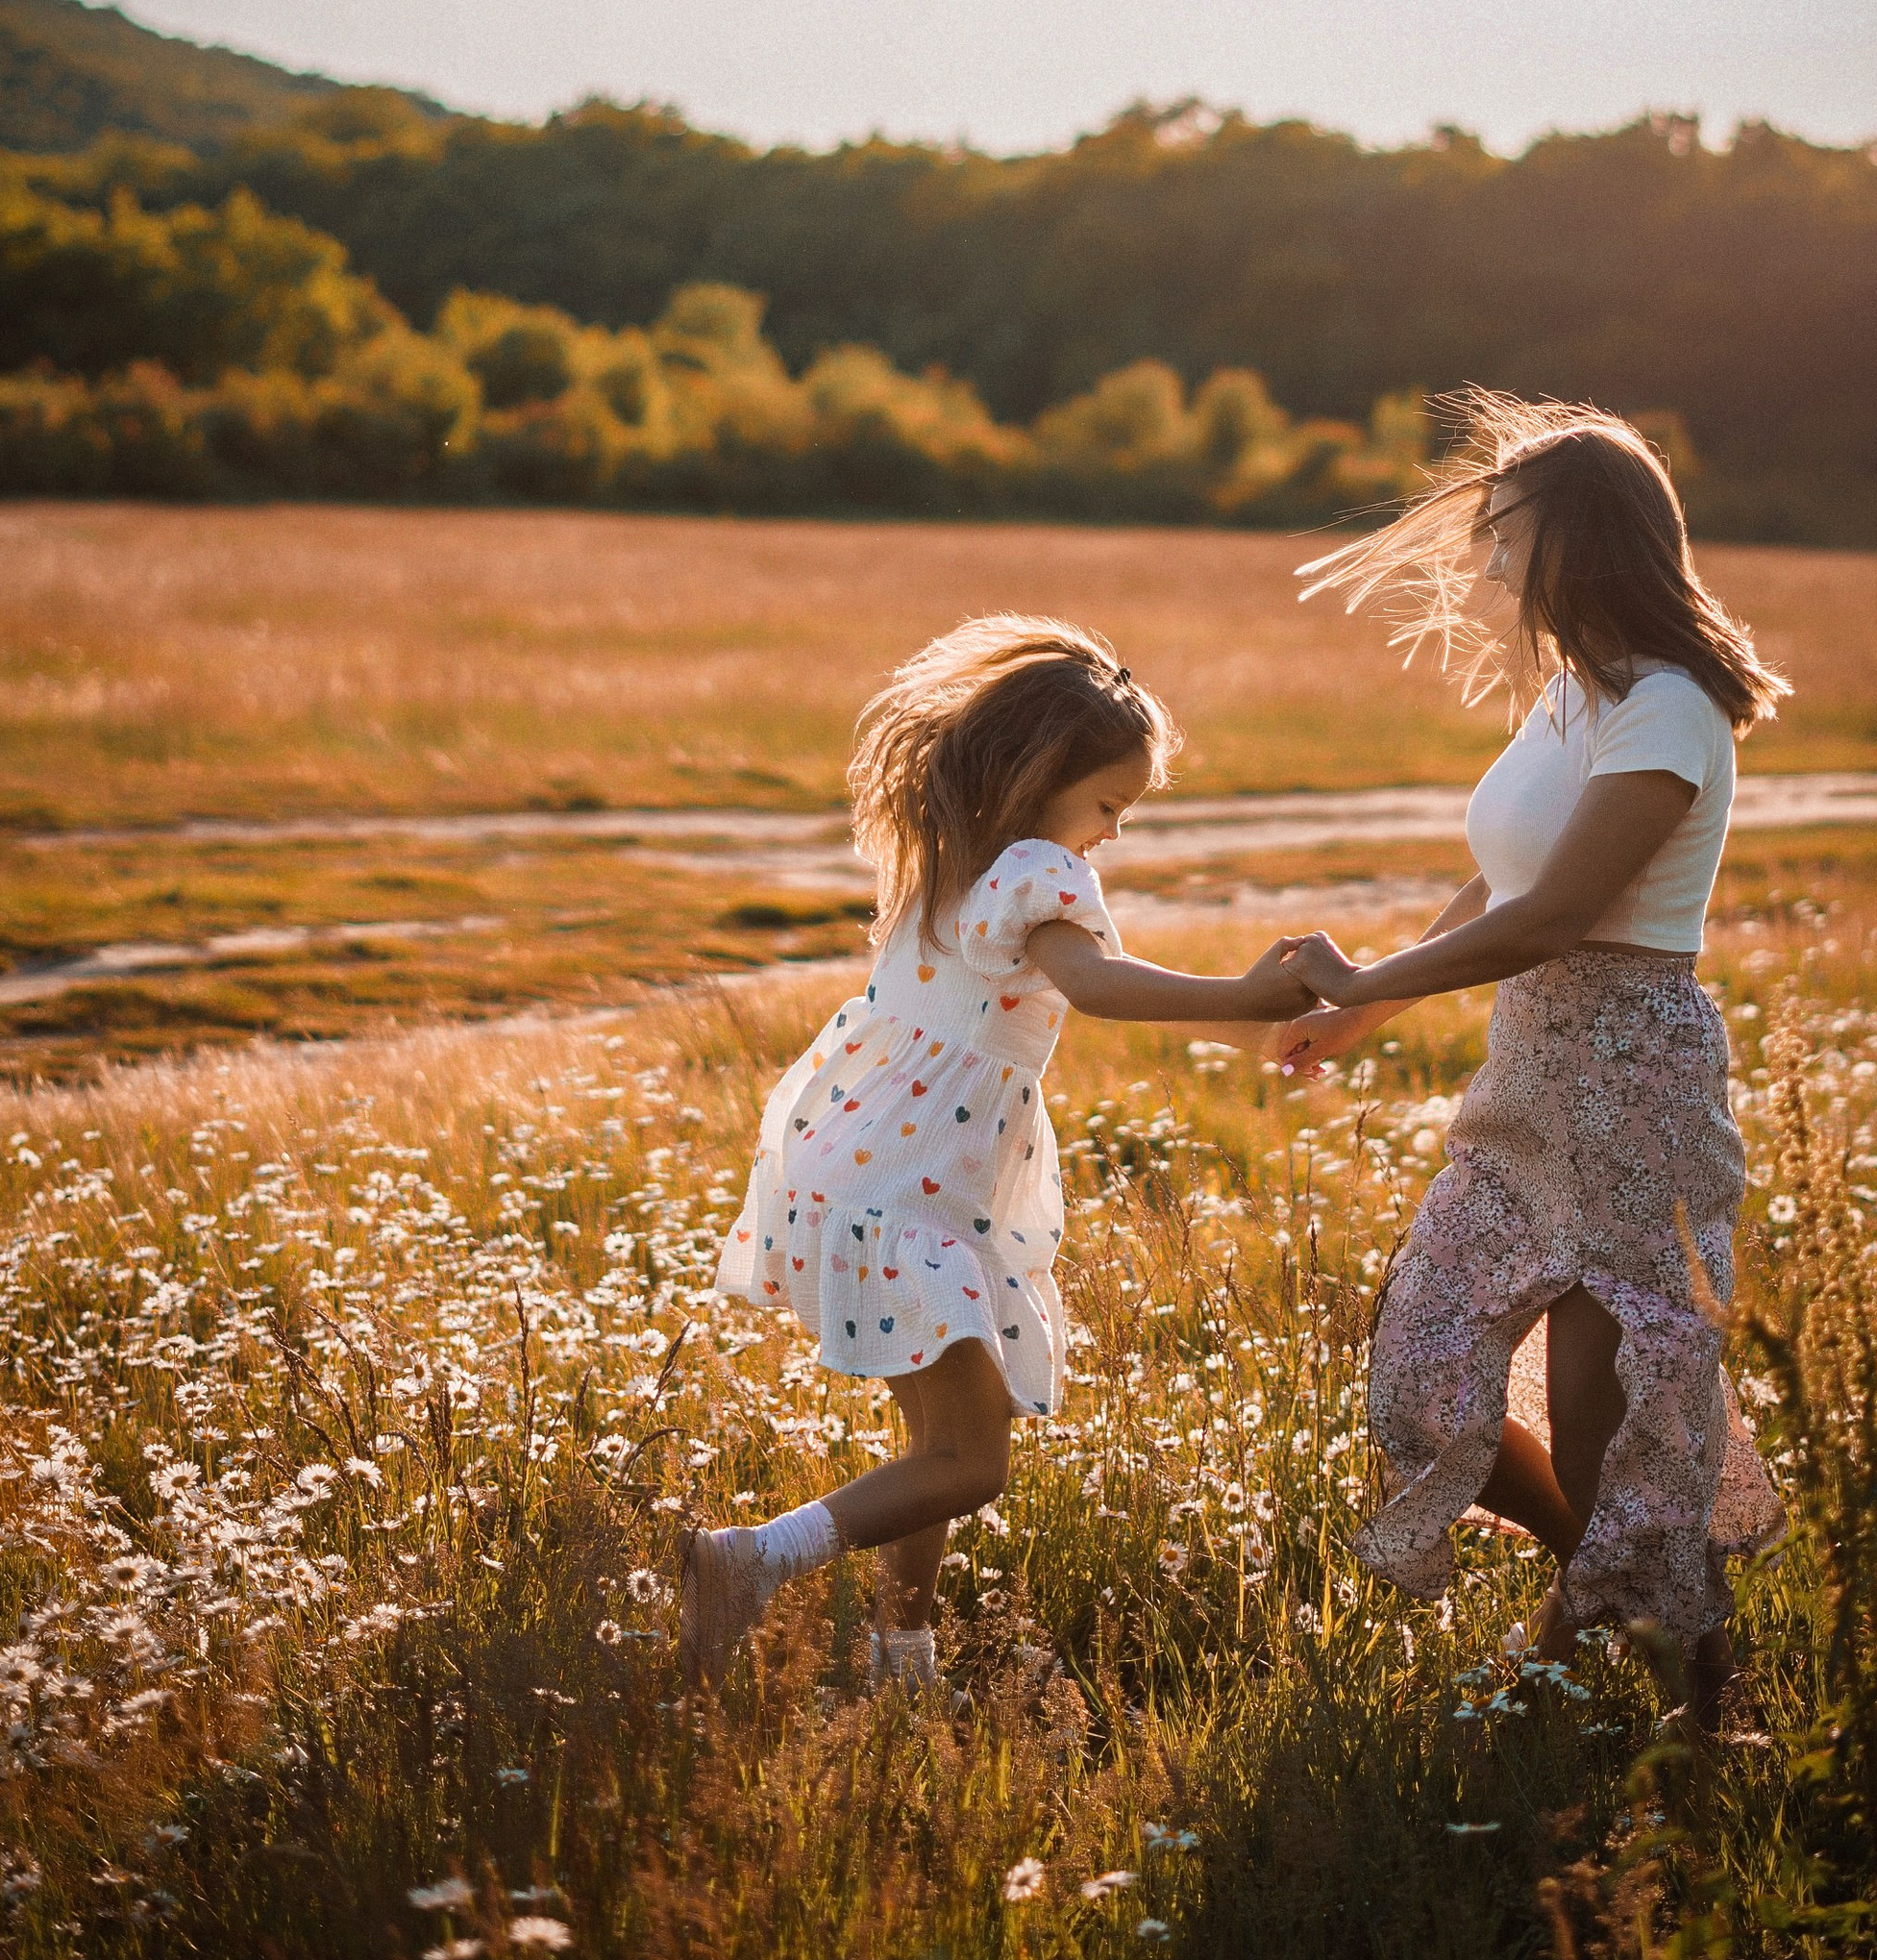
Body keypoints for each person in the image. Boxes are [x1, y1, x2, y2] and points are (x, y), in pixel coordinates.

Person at [681, 613, 1319, 1691]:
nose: (1112, 832)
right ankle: (746, 1561)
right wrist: (1252, 993)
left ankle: (903, 1661)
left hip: (868, 1167)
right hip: (916, 1186)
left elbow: (1078, 987)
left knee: (934, 1451)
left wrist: (1256, 1027)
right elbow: (1100, 986)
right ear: (1041, 776)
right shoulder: (1037, 869)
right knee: (970, 1464)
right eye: (1108, 805)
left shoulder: (951, 855)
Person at [1277, 391, 1787, 1729]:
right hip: (1526, 1087)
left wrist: (1362, 980)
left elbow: (1557, 917)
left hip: (1632, 1087)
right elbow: (1504, 884)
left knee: (1600, 1420)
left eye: (1507, 531)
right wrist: (1366, 1008)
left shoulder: (1670, 710)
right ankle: (1639, 1600)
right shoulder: (1573, 695)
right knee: (1416, 1370)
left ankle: (1692, 1685)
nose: (1485, 557)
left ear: (1583, 540)